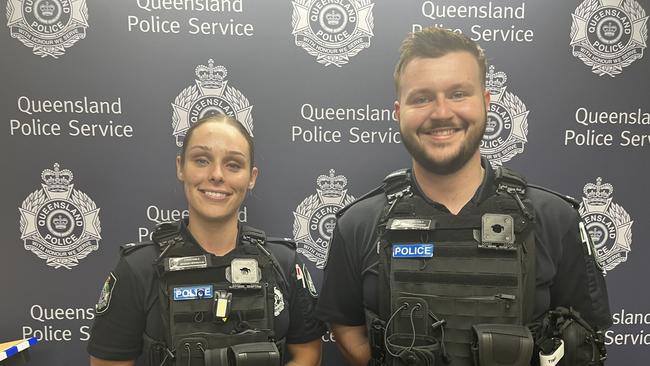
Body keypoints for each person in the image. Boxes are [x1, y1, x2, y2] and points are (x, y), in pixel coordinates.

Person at [316, 27, 611, 366]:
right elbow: (346, 324)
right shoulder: (358, 224)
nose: (441, 112)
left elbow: (583, 338)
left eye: (458, 93)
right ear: (399, 112)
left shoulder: (553, 220)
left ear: (485, 103)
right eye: (422, 97)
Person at [87, 114, 324, 366]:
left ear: (251, 177)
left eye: (233, 164)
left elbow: (308, 353)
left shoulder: (283, 264)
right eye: (201, 160)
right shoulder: (140, 269)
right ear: (181, 167)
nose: (216, 174)